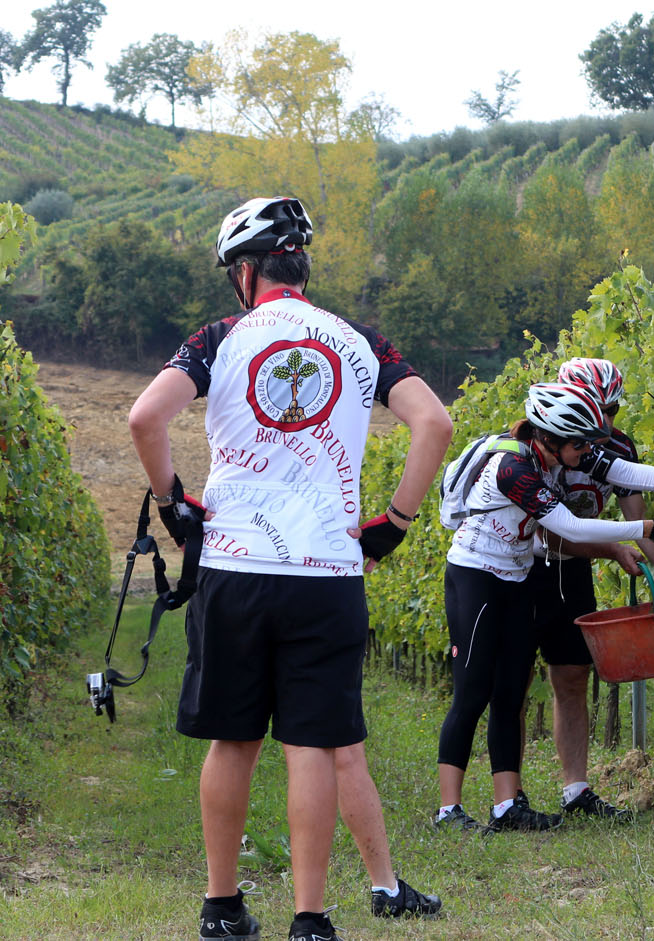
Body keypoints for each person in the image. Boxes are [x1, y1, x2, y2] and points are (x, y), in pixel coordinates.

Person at [129, 197, 452, 941]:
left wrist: (175, 502)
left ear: (246, 273)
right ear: (300, 267)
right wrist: (395, 523)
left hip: (236, 562)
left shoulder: (220, 337)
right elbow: (435, 422)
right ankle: (310, 918)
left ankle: (221, 907)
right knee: (311, 742)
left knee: (233, 739)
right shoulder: (360, 340)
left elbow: (145, 417)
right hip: (327, 570)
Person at [434, 382, 654, 835]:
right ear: (550, 437)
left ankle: (507, 808)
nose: (587, 454)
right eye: (580, 445)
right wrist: (646, 526)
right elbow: (570, 526)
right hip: (476, 576)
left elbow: (624, 470)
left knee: (509, 690)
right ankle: (449, 811)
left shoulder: (564, 448)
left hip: (516, 576)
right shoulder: (513, 467)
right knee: (473, 691)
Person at [532, 357, 654, 821]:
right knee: (511, 680)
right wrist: (613, 550)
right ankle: (508, 797)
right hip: (523, 566)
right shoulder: (542, 446)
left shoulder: (619, 449)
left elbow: (640, 525)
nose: (607, 420)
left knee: (572, 676)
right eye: (600, 408)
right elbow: (549, 531)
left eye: (612, 409)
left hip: (573, 569)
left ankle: (576, 790)